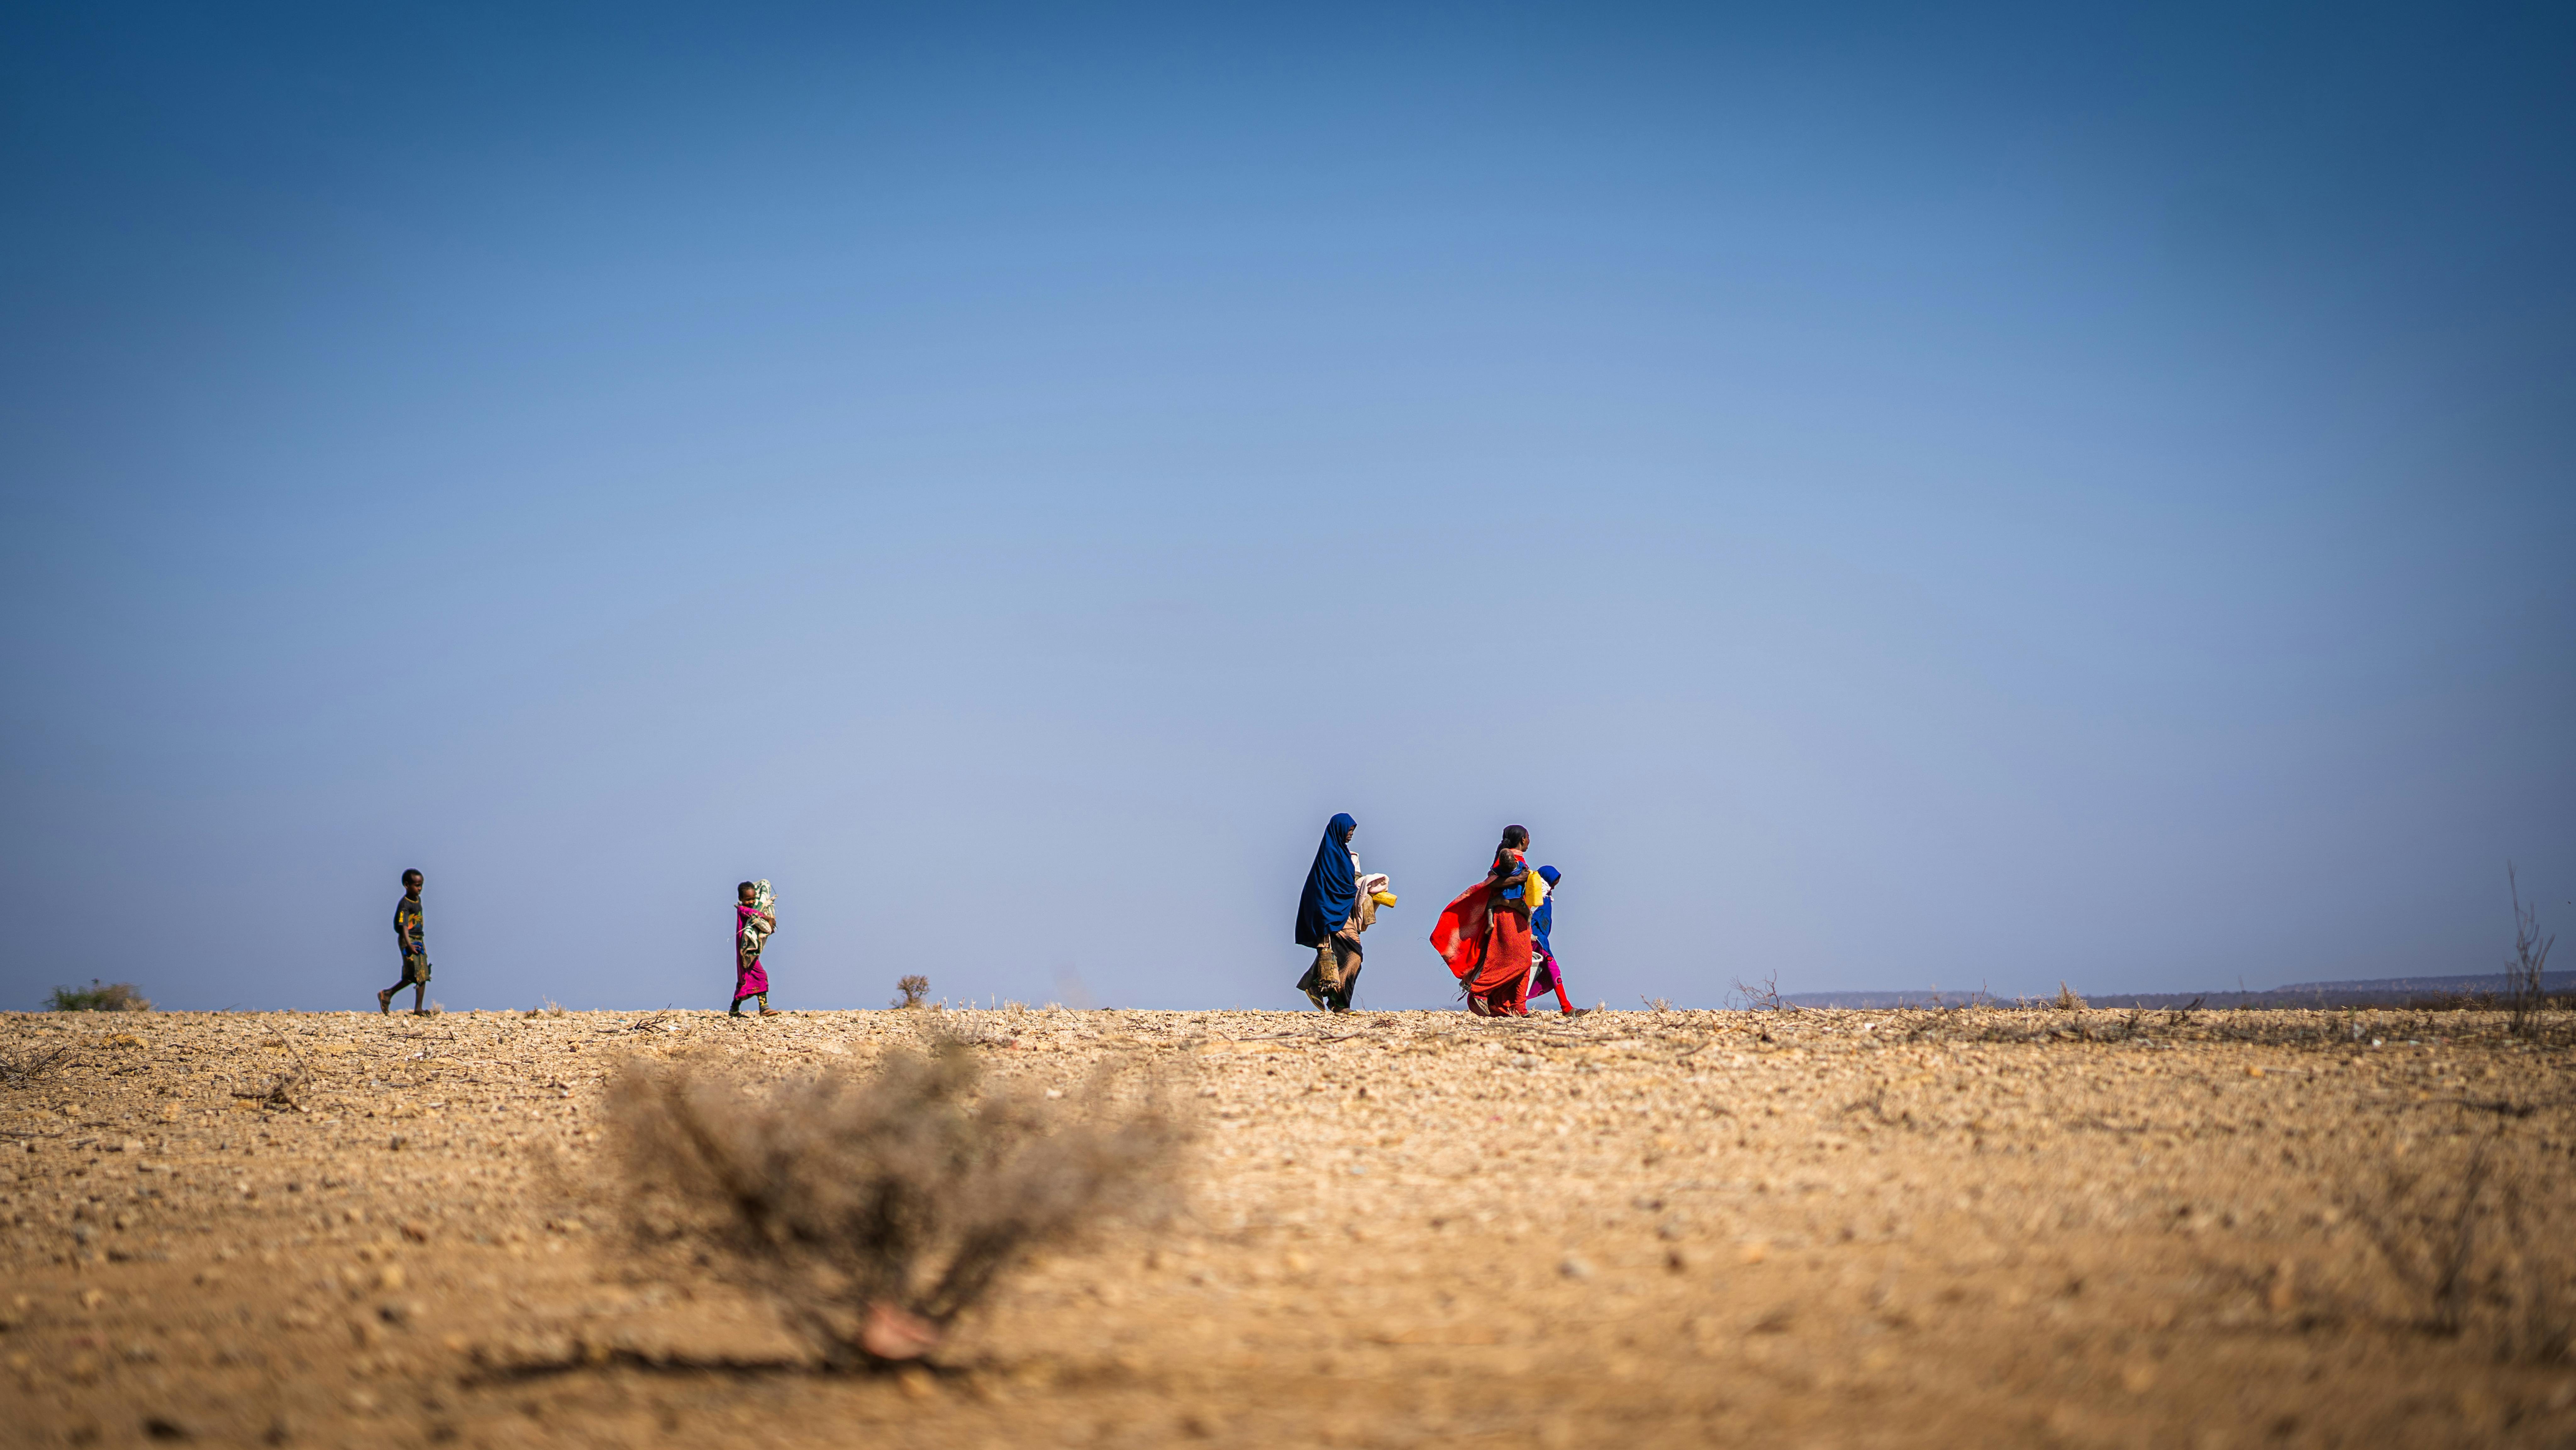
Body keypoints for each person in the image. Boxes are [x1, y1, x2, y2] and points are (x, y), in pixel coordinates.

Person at [1433, 826, 1542, 1016]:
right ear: (1523, 840)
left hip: (1517, 913)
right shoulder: (1509, 858)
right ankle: (1479, 991)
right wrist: (1521, 879)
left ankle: (1515, 1006)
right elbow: (1494, 882)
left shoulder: (1516, 859)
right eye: (1528, 837)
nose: (1529, 841)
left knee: (1522, 960)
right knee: (1520, 961)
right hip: (1508, 913)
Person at [1295, 813, 1392, 1012]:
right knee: (1354, 956)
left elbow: (1349, 884)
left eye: (1353, 832)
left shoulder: (1345, 855)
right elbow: (1322, 891)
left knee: (1343, 956)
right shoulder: (1328, 859)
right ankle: (1339, 1004)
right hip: (1331, 915)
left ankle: (1319, 988)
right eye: (1349, 831)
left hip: (1343, 912)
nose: (1351, 835)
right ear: (1339, 830)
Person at [1524, 865, 1584, 1015]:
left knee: (1530, 973)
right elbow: (1528, 916)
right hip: (1536, 942)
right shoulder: (1535, 896)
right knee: (1551, 970)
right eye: (1553, 884)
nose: (1554, 888)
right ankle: (1566, 1008)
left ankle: (1566, 1007)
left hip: (1541, 941)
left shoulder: (1545, 896)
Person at [378, 868, 431, 1015]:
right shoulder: (405, 905)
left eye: (421, 885)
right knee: (417, 974)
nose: (420, 889)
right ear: (407, 885)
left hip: (419, 939)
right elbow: (404, 927)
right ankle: (388, 994)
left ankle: (415, 1007)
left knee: (421, 974)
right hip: (409, 941)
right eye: (417, 886)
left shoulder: (418, 900)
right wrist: (409, 945)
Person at [731, 880, 779, 1017]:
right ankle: (764, 1007)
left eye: (754, 899)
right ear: (741, 899)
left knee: (743, 982)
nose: (752, 902)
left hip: (751, 953)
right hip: (746, 953)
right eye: (748, 899)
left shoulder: (749, 908)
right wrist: (768, 918)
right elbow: (753, 914)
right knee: (761, 975)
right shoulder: (742, 910)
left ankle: (734, 1009)